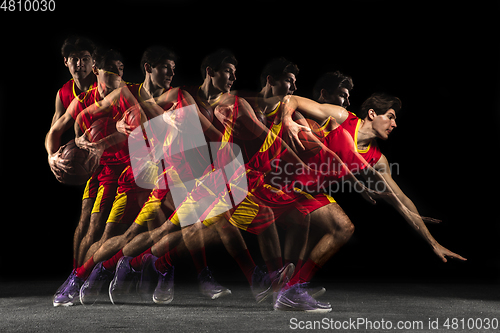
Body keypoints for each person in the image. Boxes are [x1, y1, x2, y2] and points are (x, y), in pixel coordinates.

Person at [47, 47, 128, 306]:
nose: (114, 76)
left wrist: (105, 142)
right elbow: (54, 130)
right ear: (97, 72)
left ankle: (94, 275)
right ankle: (75, 276)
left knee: (110, 229)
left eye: (119, 71)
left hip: (128, 167)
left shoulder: (127, 95)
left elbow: (135, 130)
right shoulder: (83, 100)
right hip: (98, 168)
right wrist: (52, 156)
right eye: (109, 72)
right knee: (86, 224)